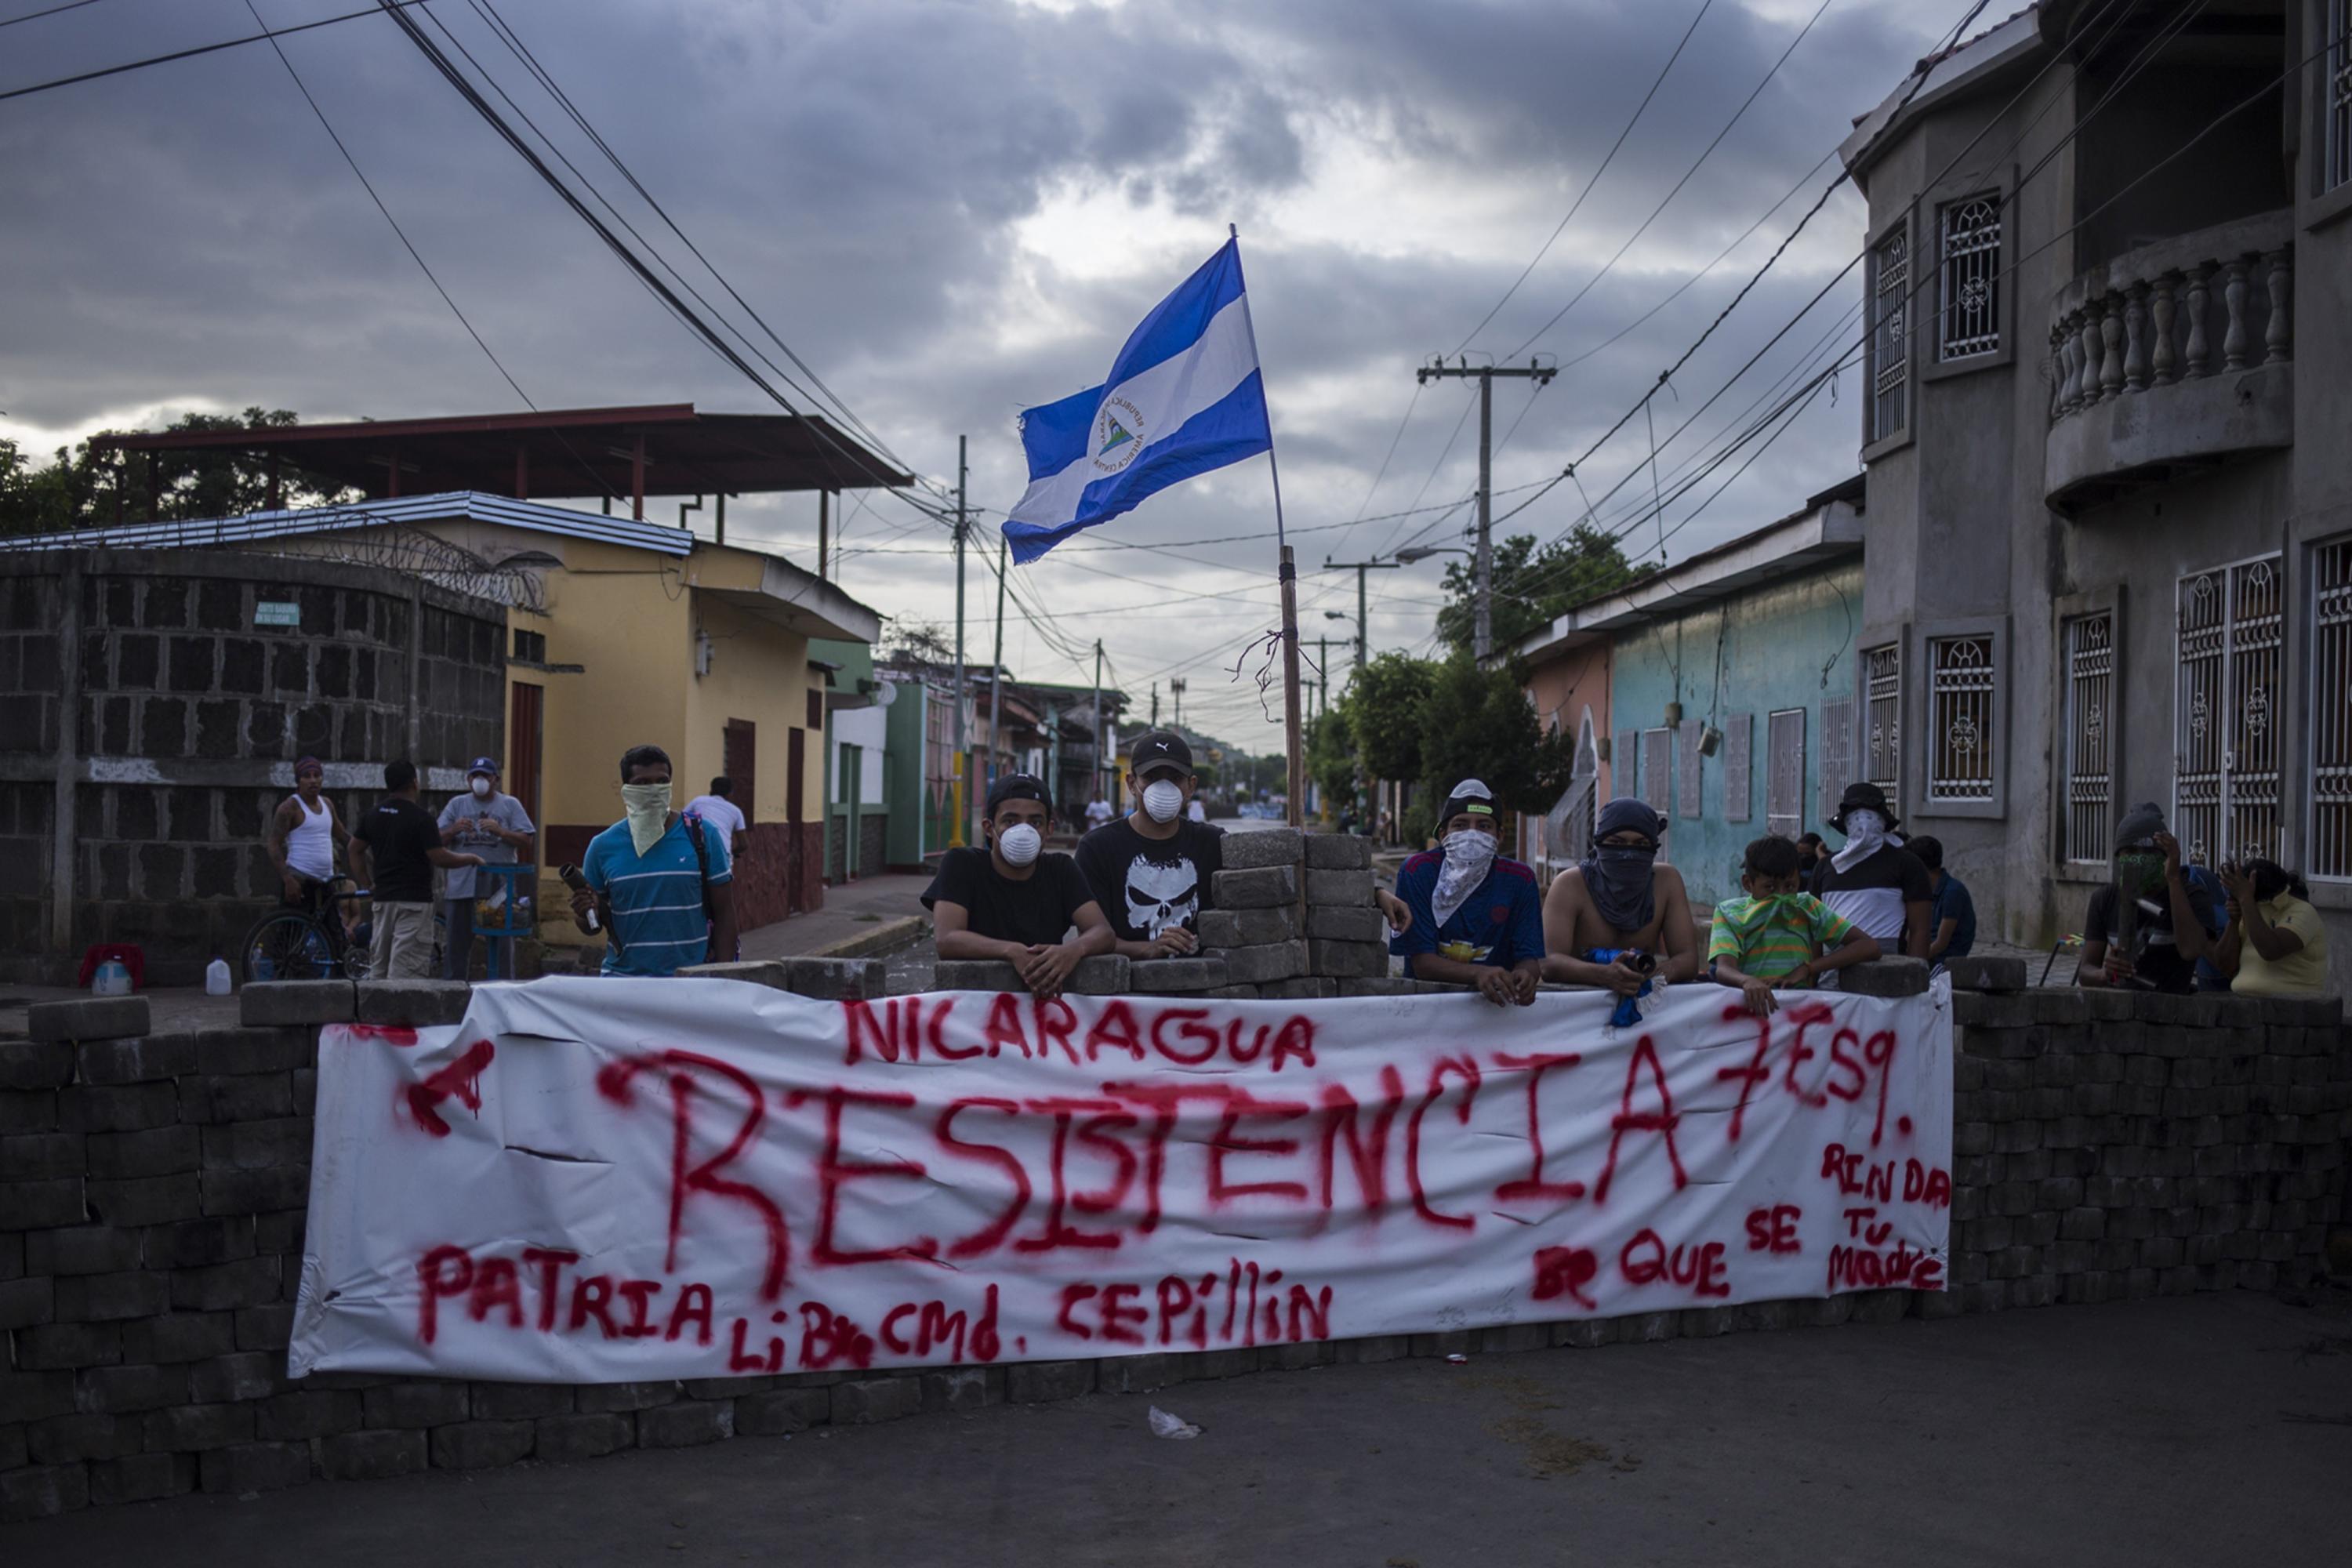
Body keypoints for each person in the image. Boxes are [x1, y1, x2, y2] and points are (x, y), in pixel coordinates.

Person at [926, 773, 1112, 1000]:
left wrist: (1073, 950)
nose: (1024, 832)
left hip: (1042, 1010)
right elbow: (947, 939)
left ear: (1048, 830)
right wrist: (1011, 951)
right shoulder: (963, 864)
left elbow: (1103, 932)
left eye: (1035, 822)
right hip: (972, 1008)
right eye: (1010, 821)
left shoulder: (1061, 870)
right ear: (989, 827)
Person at [571, 744, 738, 977]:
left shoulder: (703, 835)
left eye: (662, 781)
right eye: (643, 783)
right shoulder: (602, 847)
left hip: (690, 982)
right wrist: (583, 913)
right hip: (623, 981)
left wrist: (723, 976)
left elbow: (725, 913)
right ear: (627, 789)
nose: (654, 790)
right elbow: (592, 926)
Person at [1391, 779, 1544, 1007]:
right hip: (1427, 1007)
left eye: (1484, 826)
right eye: (1460, 825)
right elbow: (1423, 964)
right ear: (1443, 835)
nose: (1472, 835)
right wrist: (1478, 974)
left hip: (1496, 1011)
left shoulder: (1520, 880)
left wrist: (1525, 976)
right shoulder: (1419, 871)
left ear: (1499, 836)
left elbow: (1529, 959)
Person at [1076, 731, 1225, 961]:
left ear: (1190, 786)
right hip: (1128, 995)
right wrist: (1149, 949)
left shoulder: (1213, 844)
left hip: (1199, 993)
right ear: (1132, 783)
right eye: (1152, 777)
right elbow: (1089, 938)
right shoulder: (1097, 848)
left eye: (1175, 778)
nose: (1164, 787)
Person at [1539, 797, 1699, 996]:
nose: (1629, 852)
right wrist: (1604, 975)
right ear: (1599, 843)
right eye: (1617, 843)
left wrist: (1657, 972)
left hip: (1642, 1007)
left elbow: (1688, 958)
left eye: (1640, 844)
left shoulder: (1666, 882)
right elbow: (1548, 962)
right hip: (1578, 1007)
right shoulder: (1570, 885)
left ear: (1653, 848)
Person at [1708, 835, 1882, 1017]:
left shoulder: (1807, 906)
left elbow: (1869, 946)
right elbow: (1724, 969)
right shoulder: (1729, 912)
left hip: (1797, 1014)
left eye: (1789, 886)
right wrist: (1747, 981)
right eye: (1770, 887)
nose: (1781, 896)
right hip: (1750, 1011)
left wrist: (1808, 969)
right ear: (1748, 884)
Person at [349, 759, 481, 980]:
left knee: (379, 968)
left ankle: (377, 1014)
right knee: (406, 974)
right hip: (414, 904)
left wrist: (367, 883)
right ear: (414, 783)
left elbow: (354, 849)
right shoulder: (421, 818)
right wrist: (470, 858)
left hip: (382, 902)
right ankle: (400, 1015)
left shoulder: (373, 815)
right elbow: (438, 856)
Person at [2075, 803, 2218, 993]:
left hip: (2171, 1010)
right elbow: (2085, 972)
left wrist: (2173, 879)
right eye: (2130, 853)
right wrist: (2105, 973)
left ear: (2164, 857)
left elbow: (2191, 950)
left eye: (2149, 854)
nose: (2139, 860)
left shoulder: (2192, 895)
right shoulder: (2104, 899)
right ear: (2120, 857)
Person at [1809, 783, 1933, 971]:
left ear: (1882, 820)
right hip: (1831, 975)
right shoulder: (1825, 866)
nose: (1863, 820)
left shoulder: (1907, 864)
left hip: (1886, 974)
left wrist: (1915, 974)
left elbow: (1920, 930)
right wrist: (1811, 977)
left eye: (1871, 813)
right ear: (1845, 821)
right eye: (1854, 813)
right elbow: (1814, 929)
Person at [435, 757, 536, 981]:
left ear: (495, 780)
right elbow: (435, 841)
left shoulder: (510, 805)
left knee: (501, 947)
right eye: (475, 776)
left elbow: (527, 840)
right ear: (469, 779)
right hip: (462, 887)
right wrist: (453, 829)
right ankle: (455, 993)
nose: (479, 781)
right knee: (456, 947)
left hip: (498, 891)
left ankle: (502, 990)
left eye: (485, 776)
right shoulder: (457, 805)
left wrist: (502, 832)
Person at [2212, 858, 2329, 996]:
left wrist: (2246, 899)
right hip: (2245, 1004)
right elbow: (2224, 966)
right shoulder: (2250, 908)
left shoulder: (2303, 911)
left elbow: (2270, 950)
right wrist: (2233, 921)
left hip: (2294, 1007)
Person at [264, 756, 354, 930]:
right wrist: (287, 879)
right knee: (291, 938)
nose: (313, 780)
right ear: (299, 781)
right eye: (307, 776)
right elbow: (273, 844)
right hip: (300, 880)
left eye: (317, 775)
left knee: (333, 936)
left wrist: (365, 849)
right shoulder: (289, 808)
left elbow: (342, 835)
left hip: (326, 881)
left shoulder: (327, 804)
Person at [1907, 835, 1976, 969]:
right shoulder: (1925, 890)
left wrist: (1913, 961)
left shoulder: (1953, 892)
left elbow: (1941, 944)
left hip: (1943, 962)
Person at [684, 776, 750, 862]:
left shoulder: (698, 801)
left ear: (711, 790)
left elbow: (681, 819)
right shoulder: (736, 811)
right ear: (730, 793)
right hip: (723, 857)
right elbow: (743, 844)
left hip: (699, 853)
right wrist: (732, 852)